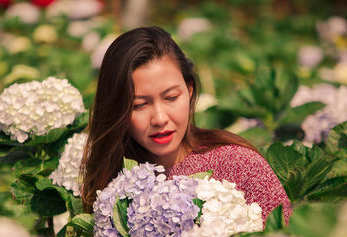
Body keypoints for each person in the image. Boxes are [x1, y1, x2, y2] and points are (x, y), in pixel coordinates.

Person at [81, 26, 292, 225]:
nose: (160, 118)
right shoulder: (116, 187)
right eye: (139, 105)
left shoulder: (240, 165)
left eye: (171, 97)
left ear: (189, 90)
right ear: (117, 109)